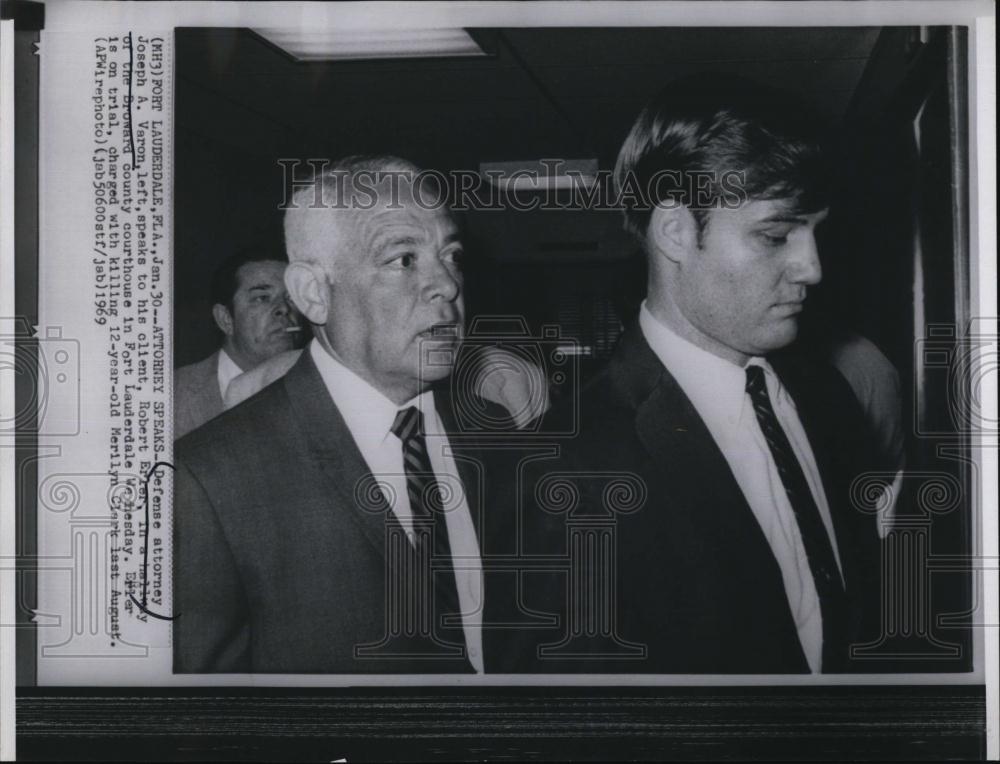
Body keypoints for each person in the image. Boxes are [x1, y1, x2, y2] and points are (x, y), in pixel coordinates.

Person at [519, 74, 885, 674]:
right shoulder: (568, 464)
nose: (812, 268)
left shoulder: (825, 393)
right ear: (676, 231)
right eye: (776, 235)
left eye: (817, 231)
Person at [173, 156, 513, 673]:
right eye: (403, 259)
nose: (447, 283)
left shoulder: (494, 429)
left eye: (452, 255)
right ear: (313, 293)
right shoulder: (213, 476)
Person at [173, 248, 302, 438]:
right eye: (262, 298)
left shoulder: (320, 383)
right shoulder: (173, 394)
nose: (283, 308)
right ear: (225, 319)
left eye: (292, 298)